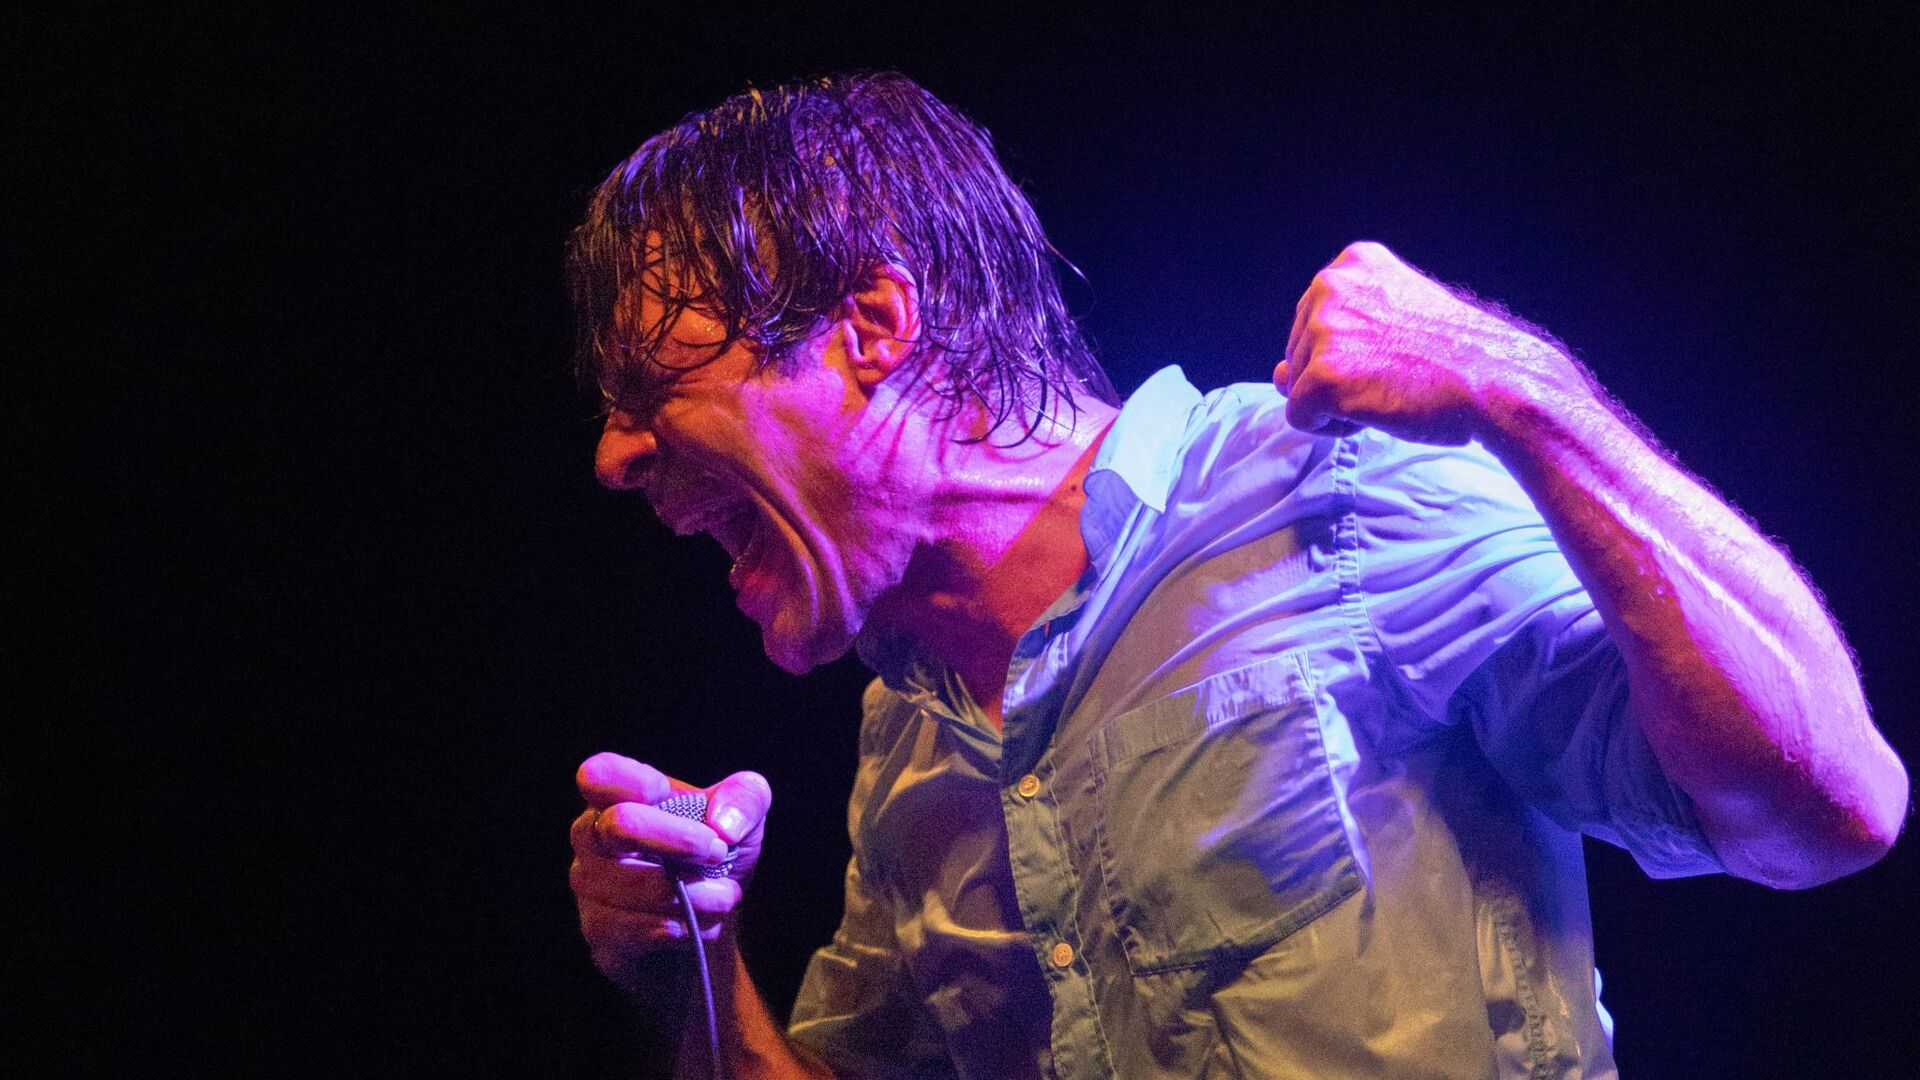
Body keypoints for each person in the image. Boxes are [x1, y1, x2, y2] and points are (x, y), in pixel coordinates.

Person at [563, 72, 1906, 1079]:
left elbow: (1827, 808)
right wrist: (692, 973)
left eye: (653, 380)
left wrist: (1526, 391)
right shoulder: (907, 739)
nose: (615, 456)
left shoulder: (1332, 490)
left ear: (872, 326)